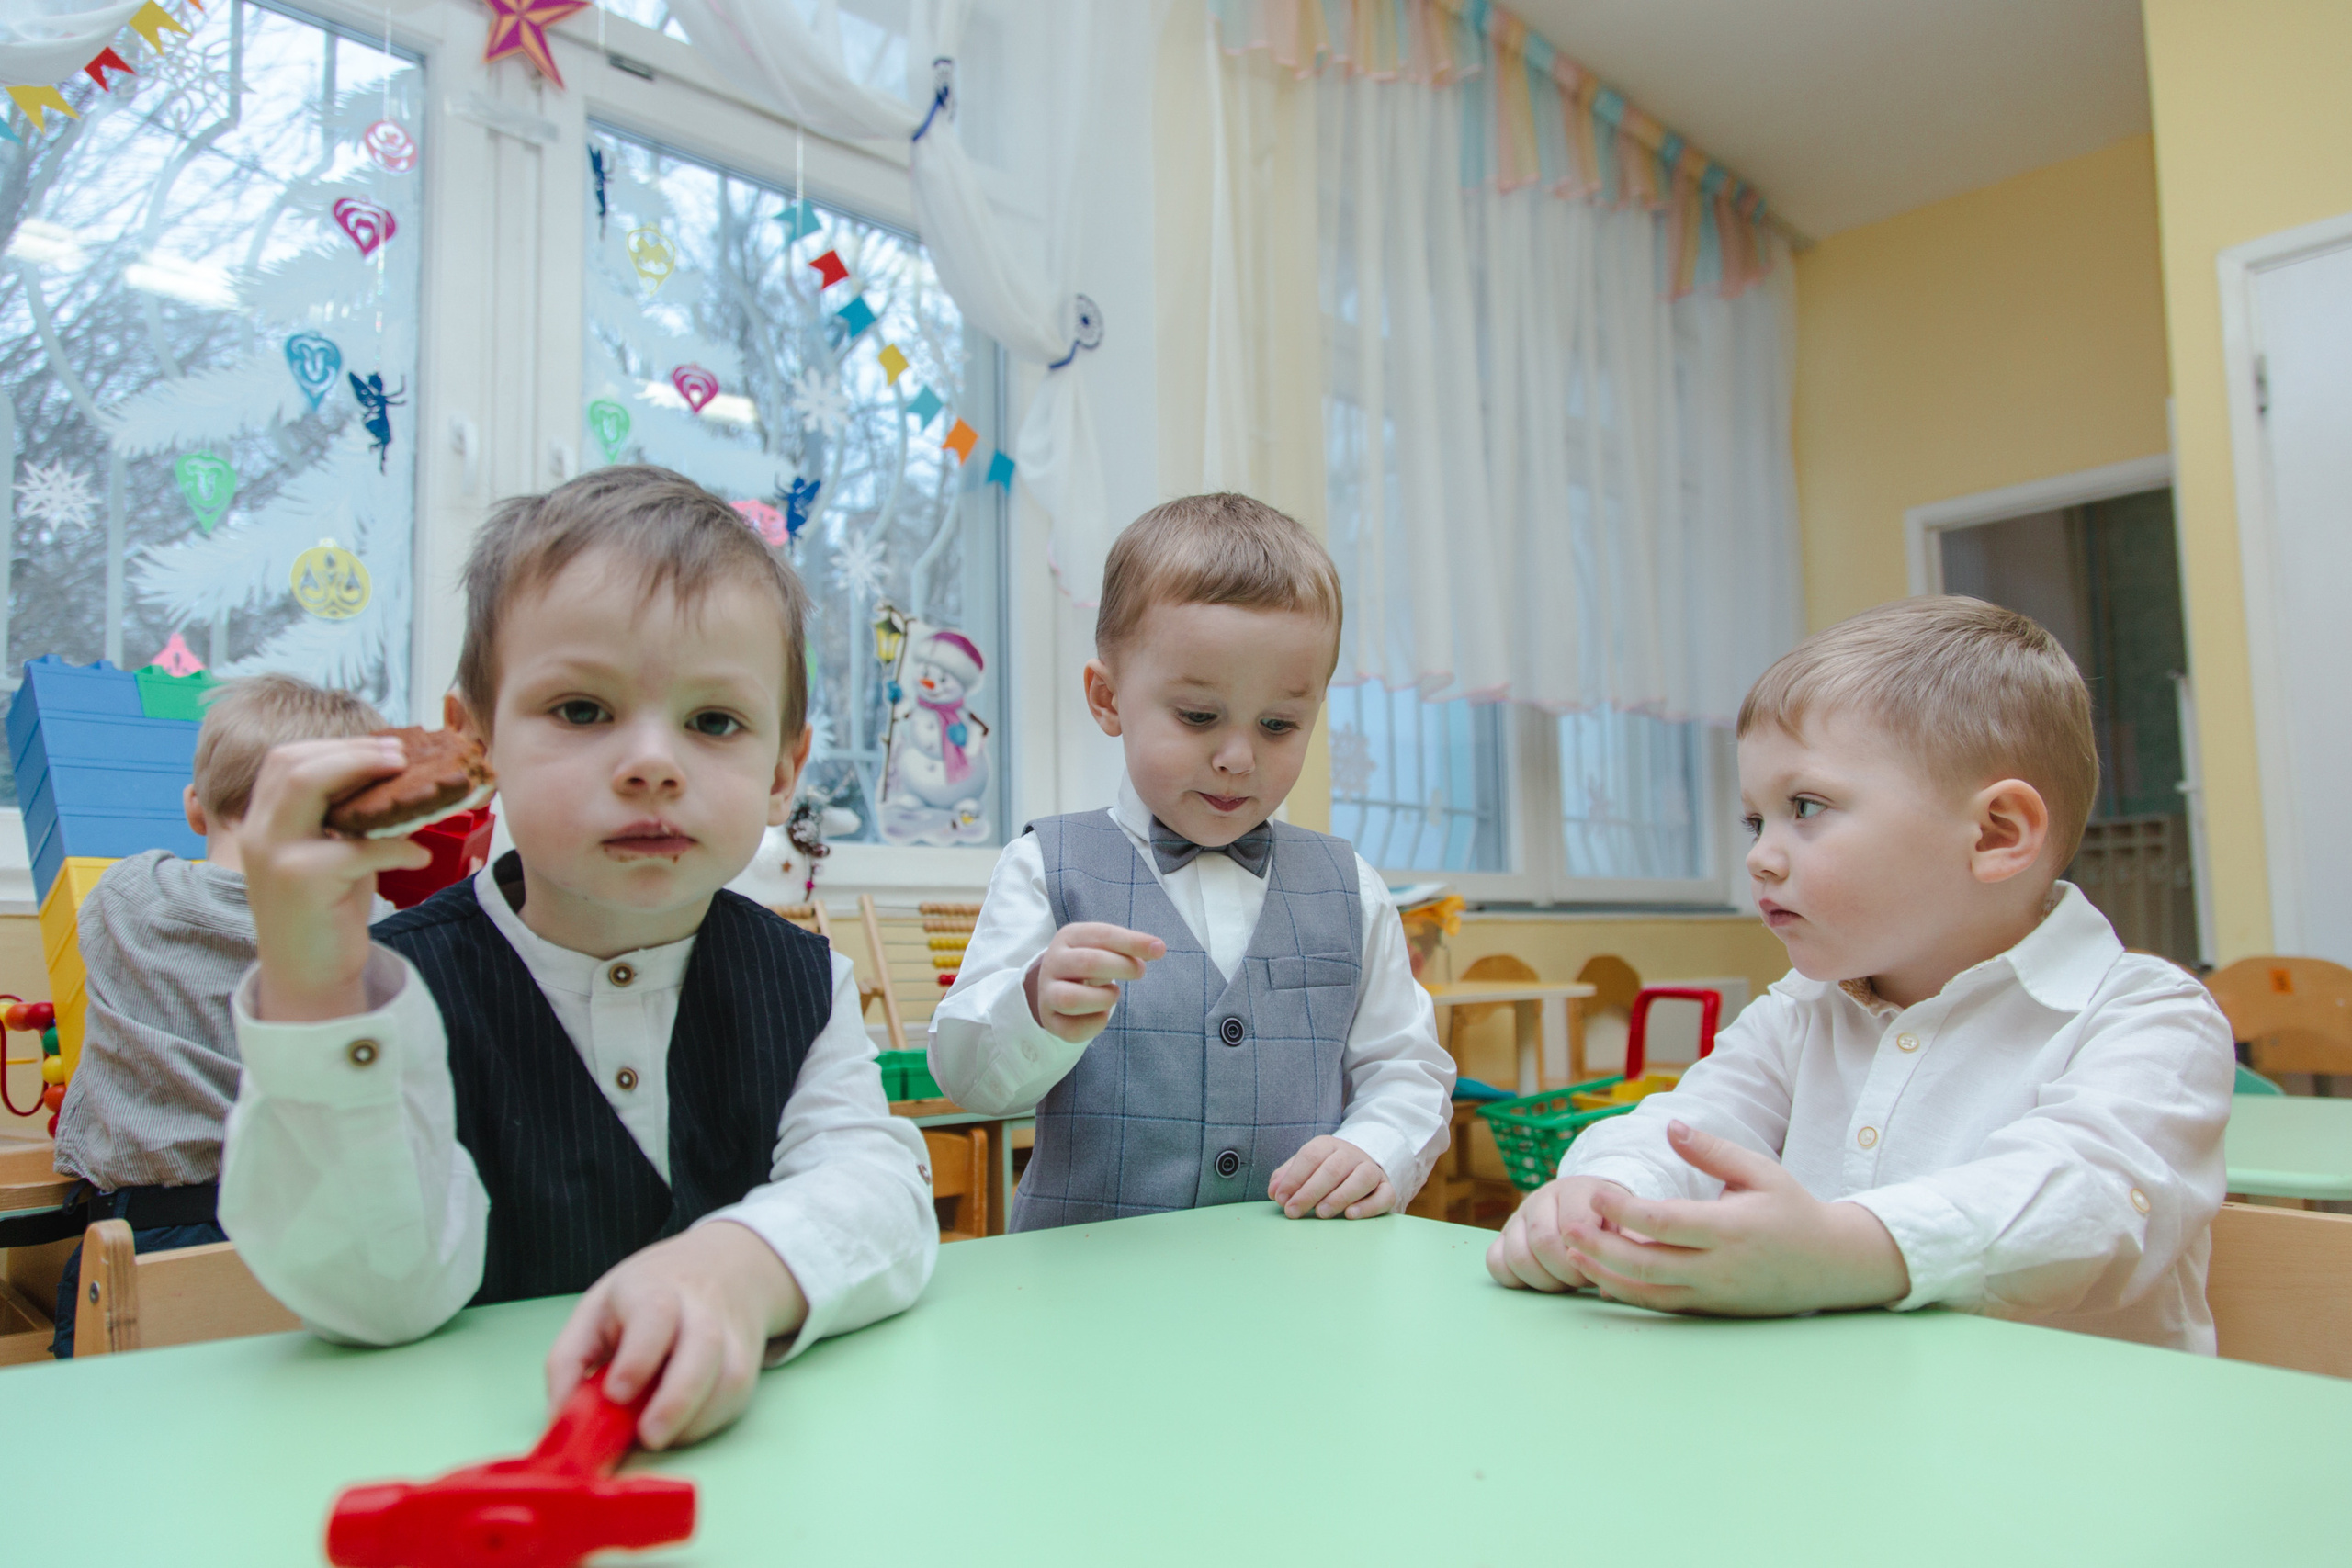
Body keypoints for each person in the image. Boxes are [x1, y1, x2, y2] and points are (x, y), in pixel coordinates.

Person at [220, 466, 935, 1446]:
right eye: (582, 710)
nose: (653, 764)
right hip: (460, 1462)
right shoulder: (386, 992)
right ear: (475, 743)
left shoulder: (807, 980)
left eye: (713, 721)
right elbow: (377, 1298)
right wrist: (315, 994)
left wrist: (741, 1267)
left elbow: (880, 1192)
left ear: (782, 771)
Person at [1487, 596, 2233, 1351]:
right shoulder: (1800, 1011)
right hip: (1852, 1409)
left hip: (2072, 1423)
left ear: (1994, 833)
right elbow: (1690, 1124)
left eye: (1806, 806)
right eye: (1756, 820)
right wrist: (1605, 1192)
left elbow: (2091, 1199)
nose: (1760, 856)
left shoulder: (2151, 1016)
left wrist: (1843, 1249)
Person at [931, 492, 1454, 1230]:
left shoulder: (1352, 889)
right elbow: (968, 1080)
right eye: (1199, 716)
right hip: (1088, 1281)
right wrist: (1033, 1007)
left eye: (1278, 724)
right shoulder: (1043, 867)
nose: (1238, 756)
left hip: (1299, 1275)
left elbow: (1406, 1067)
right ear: (1108, 699)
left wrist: (1377, 1147)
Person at [47, 674, 386, 1357]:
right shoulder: (375, 934)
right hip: (314, 1239)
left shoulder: (128, 897)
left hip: (148, 1238)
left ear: (195, 808)